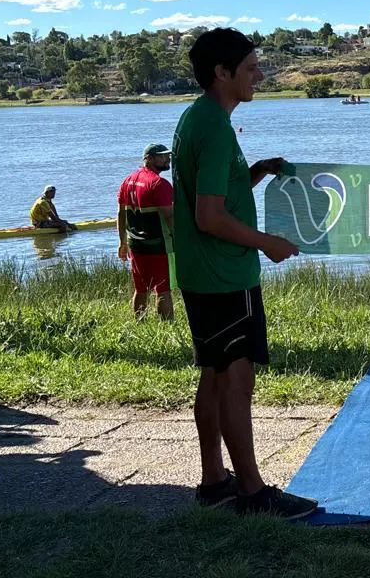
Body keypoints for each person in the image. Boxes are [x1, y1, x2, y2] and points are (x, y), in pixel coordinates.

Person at [173, 27, 316, 518]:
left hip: (202, 272)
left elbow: (214, 193)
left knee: (214, 375)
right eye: (252, 68)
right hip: (225, 276)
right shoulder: (214, 127)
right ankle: (253, 493)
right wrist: (268, 243)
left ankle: (214, 480)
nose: (260, 75)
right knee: (236, 380)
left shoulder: (199, 117)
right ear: (222, 72)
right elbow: (209, 217)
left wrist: (255, 171)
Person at [118, 143, 176, 321]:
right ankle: (168, 327)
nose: (167, 159)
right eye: (162, 156)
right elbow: (169, 216)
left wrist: (122, 242)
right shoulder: (159, 184)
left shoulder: (128, 181)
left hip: (135, 244)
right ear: (149, 159)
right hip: (159, 245)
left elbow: (121, 214)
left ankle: (139, 323)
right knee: (163, 290)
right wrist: (181, 240)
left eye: (168, 155)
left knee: (141, 289)